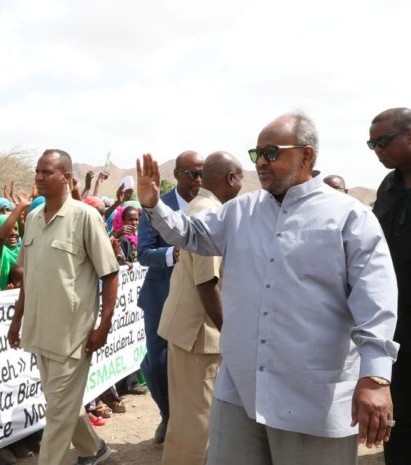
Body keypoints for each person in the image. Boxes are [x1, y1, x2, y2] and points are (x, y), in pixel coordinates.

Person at [136, 112, 398, 464]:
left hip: (312, 397)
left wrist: (376, 378)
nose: (260, 162)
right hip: (242, 391)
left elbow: (375, 302)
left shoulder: (349, 217)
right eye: (256, 154)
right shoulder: (240, 211)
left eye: (272, 153)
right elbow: (191, 234)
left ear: (306, 156)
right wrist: (153, 205)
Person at [8, 149, 118, 465]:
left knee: (57, 413)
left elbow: (109, 274)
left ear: (66, 177)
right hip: (40, 330)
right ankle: (95, 450)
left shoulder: (85, 216)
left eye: (48, 172)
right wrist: (17, 320)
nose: (40, 177)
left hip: (74, 336)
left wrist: (104, 324)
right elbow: (28, 276)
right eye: (38, 171)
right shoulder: (31, 218)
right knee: (61, 403)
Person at [157, 152, 243, 465]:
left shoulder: (200, 207)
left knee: (186, 420)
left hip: (188, 332)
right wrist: (230, 334)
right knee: (198, 425)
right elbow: (207, 284)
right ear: (231, 179)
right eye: (241, 178)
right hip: (198, 336)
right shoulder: (209, 213)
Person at [137, 149, 203, 444]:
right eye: (192, 174)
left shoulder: (211, 206)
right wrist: (173, 253)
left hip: (201, 299)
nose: (199, 180)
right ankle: (168, 415)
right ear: (176, 175)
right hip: (161, 298)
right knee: (158, 364)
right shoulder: (154, 205)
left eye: (202, 173)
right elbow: (143, 254)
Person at [368, 107, 411, 465]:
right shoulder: (389, 187)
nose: (378, 150)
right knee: (397, 422)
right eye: (372, 144)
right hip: (396, 326)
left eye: (383, 141)